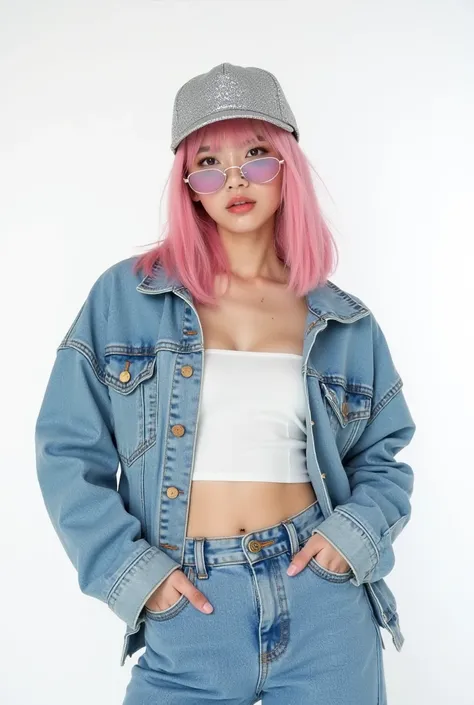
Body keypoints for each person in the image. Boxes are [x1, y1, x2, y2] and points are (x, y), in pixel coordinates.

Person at [35, 63, 416, 704]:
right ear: (189, 185)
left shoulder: (346, 322)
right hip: (193, 606)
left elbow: (385, 458)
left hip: (324, 606)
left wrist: (348, 541)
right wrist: (135, 575)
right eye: (209, 162)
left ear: (288, 166)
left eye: (257, 155)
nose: (235, 179)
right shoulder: (126, 298)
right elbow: (67, 451)